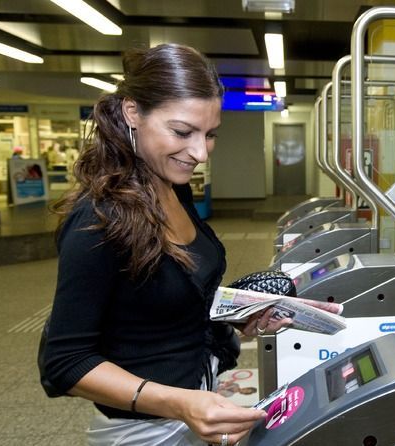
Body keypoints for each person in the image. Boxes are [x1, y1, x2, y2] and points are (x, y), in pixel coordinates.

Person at [40, 43, 291, 446]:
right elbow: (66, 362)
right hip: (143, 431)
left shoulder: (174, 190)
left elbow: (160, 306)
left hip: (197, 400)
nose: (199, 153)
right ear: (132, 112)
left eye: (210, 135)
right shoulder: (99, 220)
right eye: (181, 131)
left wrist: (237, 319)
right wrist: (180, 404)